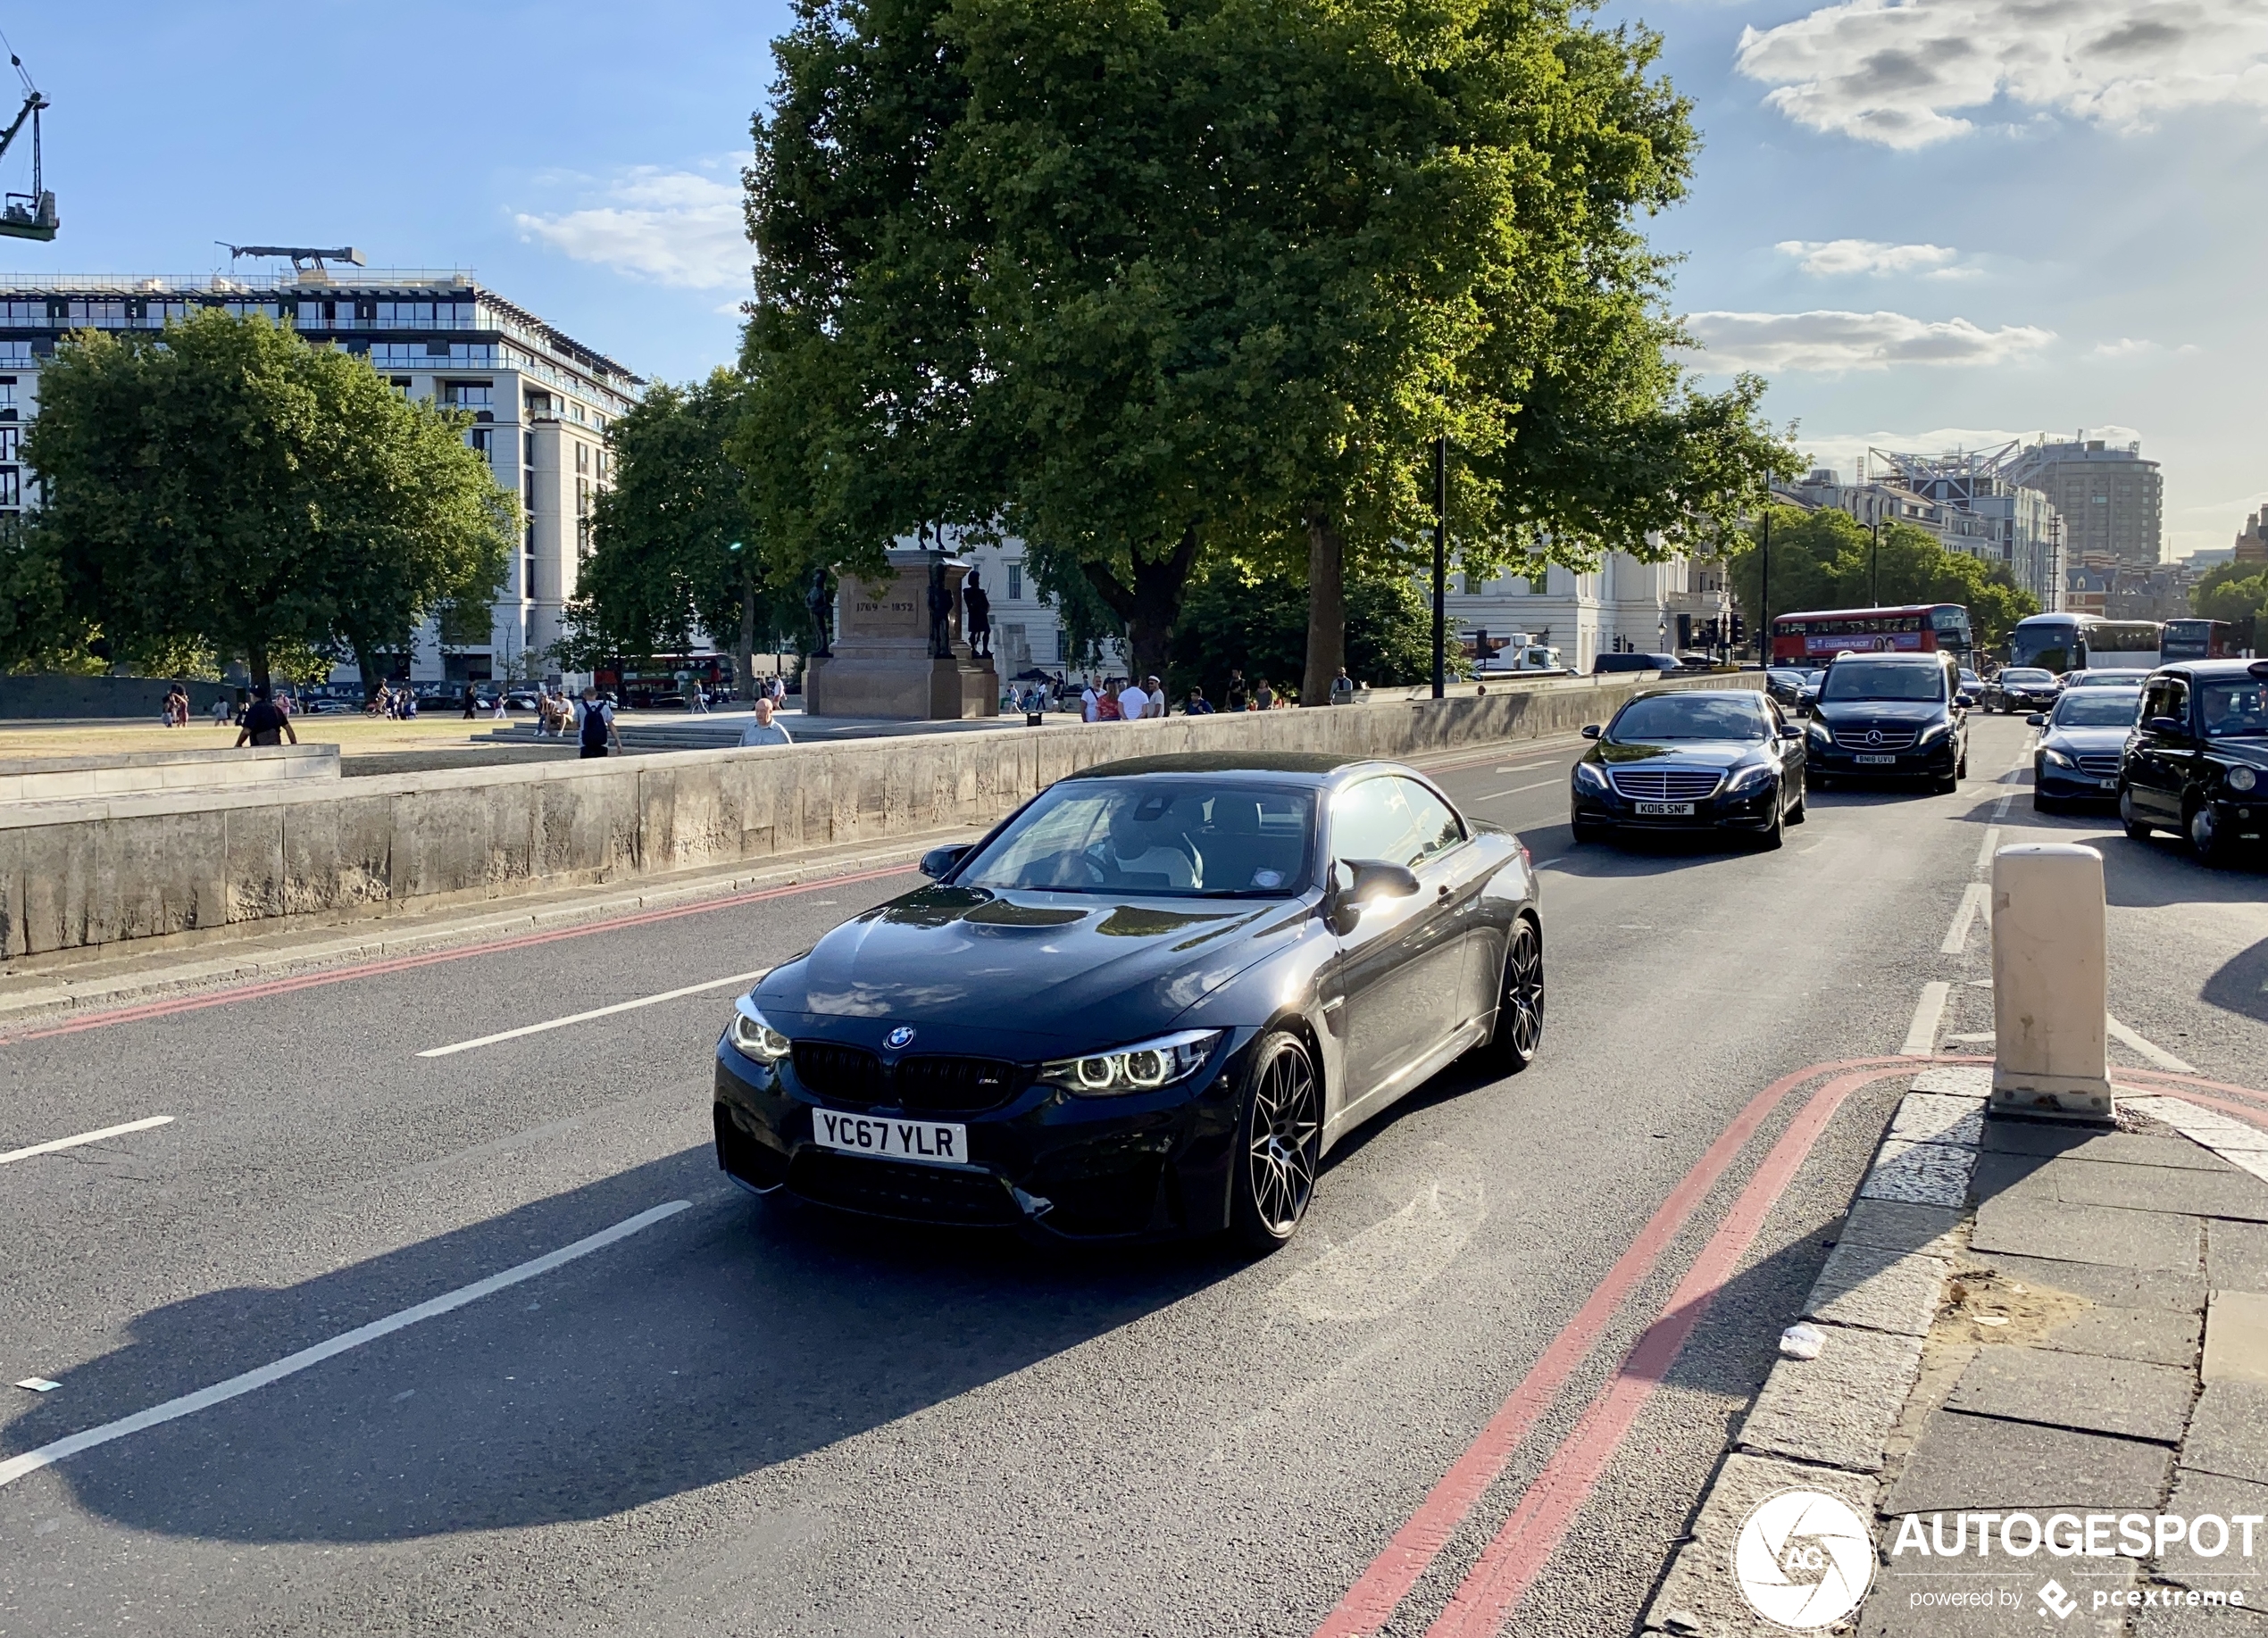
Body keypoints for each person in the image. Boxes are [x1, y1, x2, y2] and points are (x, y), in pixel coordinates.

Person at [235, 685, 298, 749]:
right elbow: (288, 728)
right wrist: (294, 744)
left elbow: (246, 731)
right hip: (276, 747)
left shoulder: (253, 710)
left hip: (259, 748)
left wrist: (238, 744)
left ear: (254, 696)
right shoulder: (275, 709)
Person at [576, 686, 621, 759]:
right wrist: (618, 741)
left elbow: (575, 725)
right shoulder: (604, 707)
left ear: (584, 695)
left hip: (585, 742)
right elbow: (611, 725)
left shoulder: (579, 707)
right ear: (596, 695)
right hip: (602, 742)